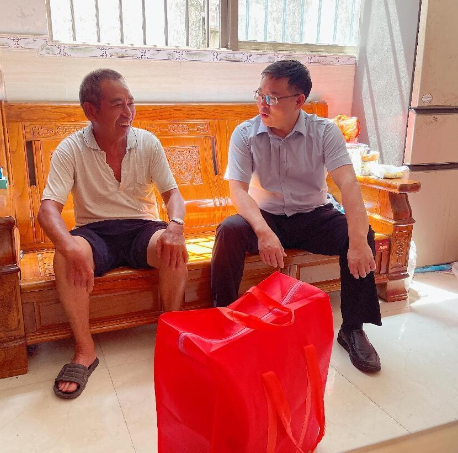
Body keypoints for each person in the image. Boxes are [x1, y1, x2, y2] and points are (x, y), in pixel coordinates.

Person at [211, 60, 382, 373]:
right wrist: (263, 232)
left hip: (313, 215)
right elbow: (237, 191)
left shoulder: (324, 131)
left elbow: (348, 184)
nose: (263, 103)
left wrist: (358, 240)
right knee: (229, 230)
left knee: (360, 235)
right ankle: (225, 318)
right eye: (260, 94)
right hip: (265, 216)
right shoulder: (245, 133)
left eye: (273, 97)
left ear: (299, 100)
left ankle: (353, 328)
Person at [38, 69, 188, 398]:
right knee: (65, 255)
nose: (128, 112)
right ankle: (84, 350)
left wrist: (175, 226)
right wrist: (68, 246)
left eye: (131, 103)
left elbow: (172, 195)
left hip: (141, 228)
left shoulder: (147, 142)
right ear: (91, 110)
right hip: (95, 232)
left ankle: (171, 329)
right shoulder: (70, 149)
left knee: (174, 246)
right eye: (118, 104)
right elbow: (48, 209)